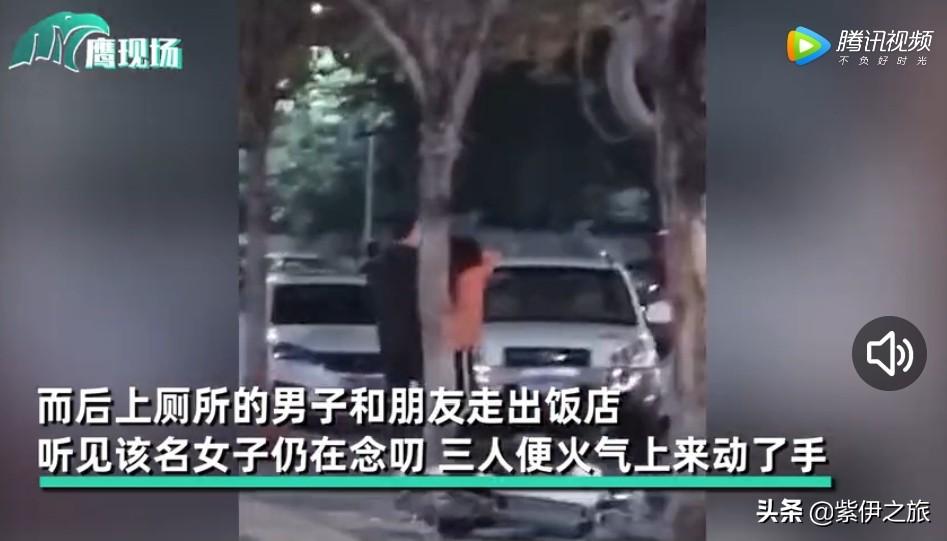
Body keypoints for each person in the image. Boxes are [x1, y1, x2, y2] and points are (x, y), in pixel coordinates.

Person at [364, 215, 423, 389]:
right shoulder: (423, 264)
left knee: (397, 385)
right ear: (413, 232)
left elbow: (369, 300)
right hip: (419, 336)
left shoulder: (376, 265)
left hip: (389, 336)